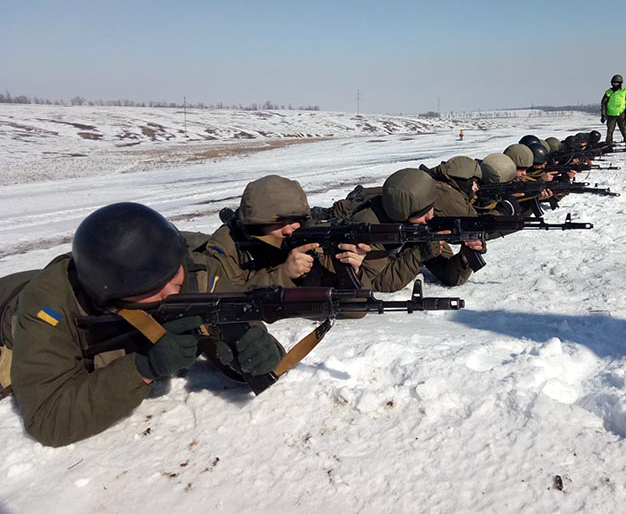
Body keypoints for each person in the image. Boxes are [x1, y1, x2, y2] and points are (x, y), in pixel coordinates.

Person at [1, 203, 282, 447]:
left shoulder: (194, 266)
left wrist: (254, 351)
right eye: (152, 287)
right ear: (111, 299)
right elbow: (49, 419)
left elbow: (249, 330)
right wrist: (142, 367)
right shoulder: (48, 307)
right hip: (11, 303)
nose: (173, 292)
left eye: (173, 274)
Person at [204, 175, 370, 290]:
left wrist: (352, 272)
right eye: (279, 223)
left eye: (295, 221)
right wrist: (284, 274)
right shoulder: (224, 248)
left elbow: (354, 309)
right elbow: (227, 306)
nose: (289, 229)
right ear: (255, 225)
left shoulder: (306, 240)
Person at [331, 169, 481, 292]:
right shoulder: (369, 226)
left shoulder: (417, 224)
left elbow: (448, 274)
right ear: (404, 214)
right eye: (423, 212)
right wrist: (418, 254)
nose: (431, 216)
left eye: (432, 208)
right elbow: (381, 281)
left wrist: (464, 258)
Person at [600, 74, 626, 149]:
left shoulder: (625, 91)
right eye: (613, 83)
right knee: (610, 130)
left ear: (620, 83)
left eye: (616, 83)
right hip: (611, 114)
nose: (615, 84)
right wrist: (603, 115)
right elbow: (603, 104)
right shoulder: (608, 92)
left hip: (622, 113)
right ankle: (608, 144)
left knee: (624, 129)